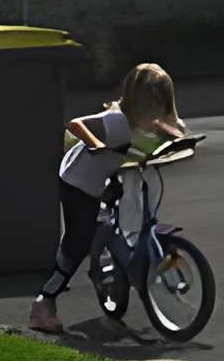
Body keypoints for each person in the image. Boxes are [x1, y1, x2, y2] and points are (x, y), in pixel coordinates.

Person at [28, 61, 186, 333]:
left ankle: (113, 263)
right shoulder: (116, 121)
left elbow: (171, 131)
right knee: (78, 241)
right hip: (79, 181)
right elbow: (77, 125)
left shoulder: (148, 122)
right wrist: (96, 143)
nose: (159, 109)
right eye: (154, 102)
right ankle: (44, 302)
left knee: (127, 212)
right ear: (140, 101)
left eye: (163, 101)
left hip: (108, 173)